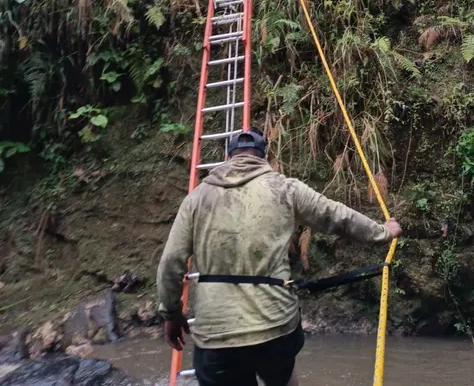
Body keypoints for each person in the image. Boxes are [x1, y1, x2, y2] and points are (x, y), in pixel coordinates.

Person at [156, 129, 403, 386]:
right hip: (274, 326)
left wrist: (171, 314)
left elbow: (171, 263)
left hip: (217, 334)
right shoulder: (284, 188)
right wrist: (384, 232)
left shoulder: (196, 199)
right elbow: (336, 216)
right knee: (282, 375)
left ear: (227, 157)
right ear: (265, 158)